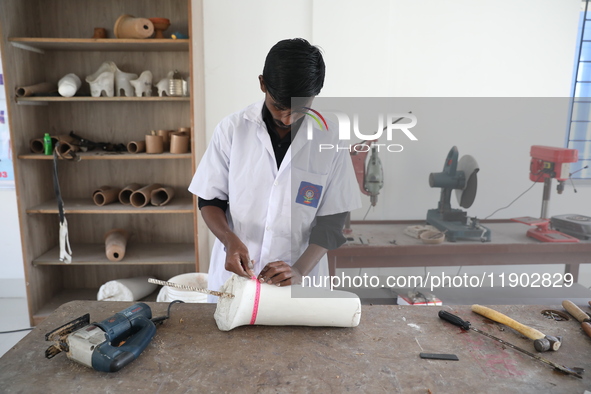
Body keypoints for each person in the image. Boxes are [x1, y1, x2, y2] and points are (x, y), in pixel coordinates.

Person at [189, 38, 360, 301]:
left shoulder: (331, 137)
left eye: (300, 110)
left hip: (301, 277)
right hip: (238, 276)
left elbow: (333, 219)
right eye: (279, 107)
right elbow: (210, 199)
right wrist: (229, 240)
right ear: (262, 84)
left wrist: (300, 270)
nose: (287, 119)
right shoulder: (232, 130)